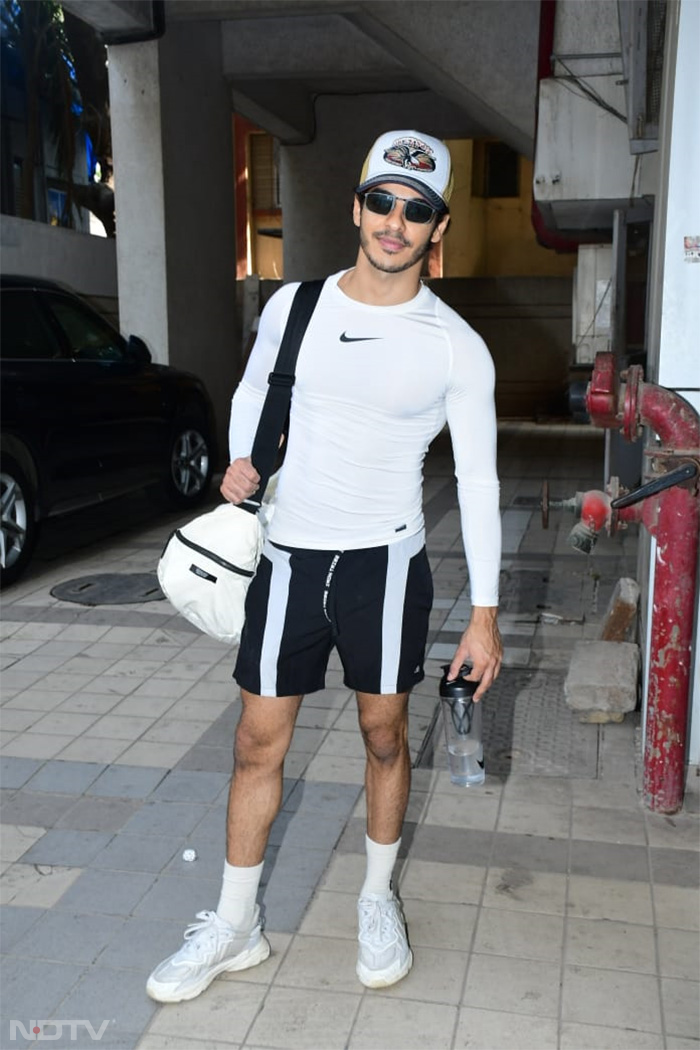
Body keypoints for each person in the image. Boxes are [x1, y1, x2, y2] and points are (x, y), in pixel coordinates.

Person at [146, 129, 502, 1003]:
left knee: (384, 736)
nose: (395, 221)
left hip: (385, 565)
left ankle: (377, 900)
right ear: (356, 207)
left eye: (416, 210)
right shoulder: (293, 307)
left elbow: (483, 480)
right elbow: (254, 391)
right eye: (382, 201)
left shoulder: (456, 346)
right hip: (288, 561)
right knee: (254, 743)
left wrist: (485, 616)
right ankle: (235, 927)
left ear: (436, 228)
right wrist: (242, 462)